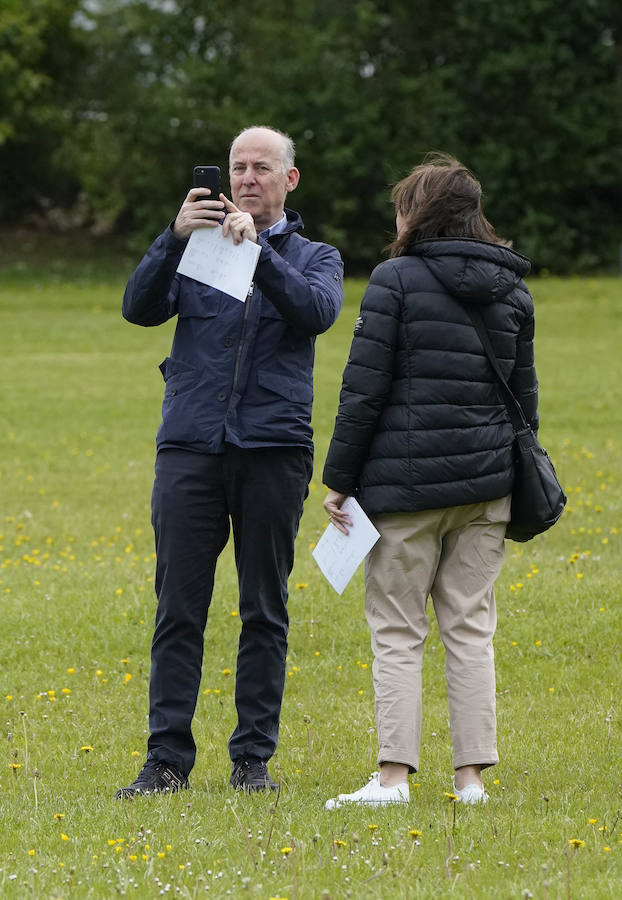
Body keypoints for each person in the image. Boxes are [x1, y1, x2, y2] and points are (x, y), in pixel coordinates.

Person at [116, 126, 344, 797]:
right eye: (238, 168)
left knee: (263, 609)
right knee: (178, 608)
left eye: (261, 168)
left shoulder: (315, 255)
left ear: (289, 179)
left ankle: (252, 761)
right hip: (190, 445)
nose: (246, 178)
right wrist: (173, 237)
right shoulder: (195, 248)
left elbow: (316, 312)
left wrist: (260, 257)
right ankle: (165, 763)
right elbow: (138, 309)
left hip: (273, 449)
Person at [321, 154, 538, 808]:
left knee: (396, 629)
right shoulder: (514, 288)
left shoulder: (394, 280)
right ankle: (471, 781)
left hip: (404, 490)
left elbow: (363, 392)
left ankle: (392, 779)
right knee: (470, 629)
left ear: (418, 214)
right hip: (487, 486)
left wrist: (338, 481)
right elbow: (523, 403)